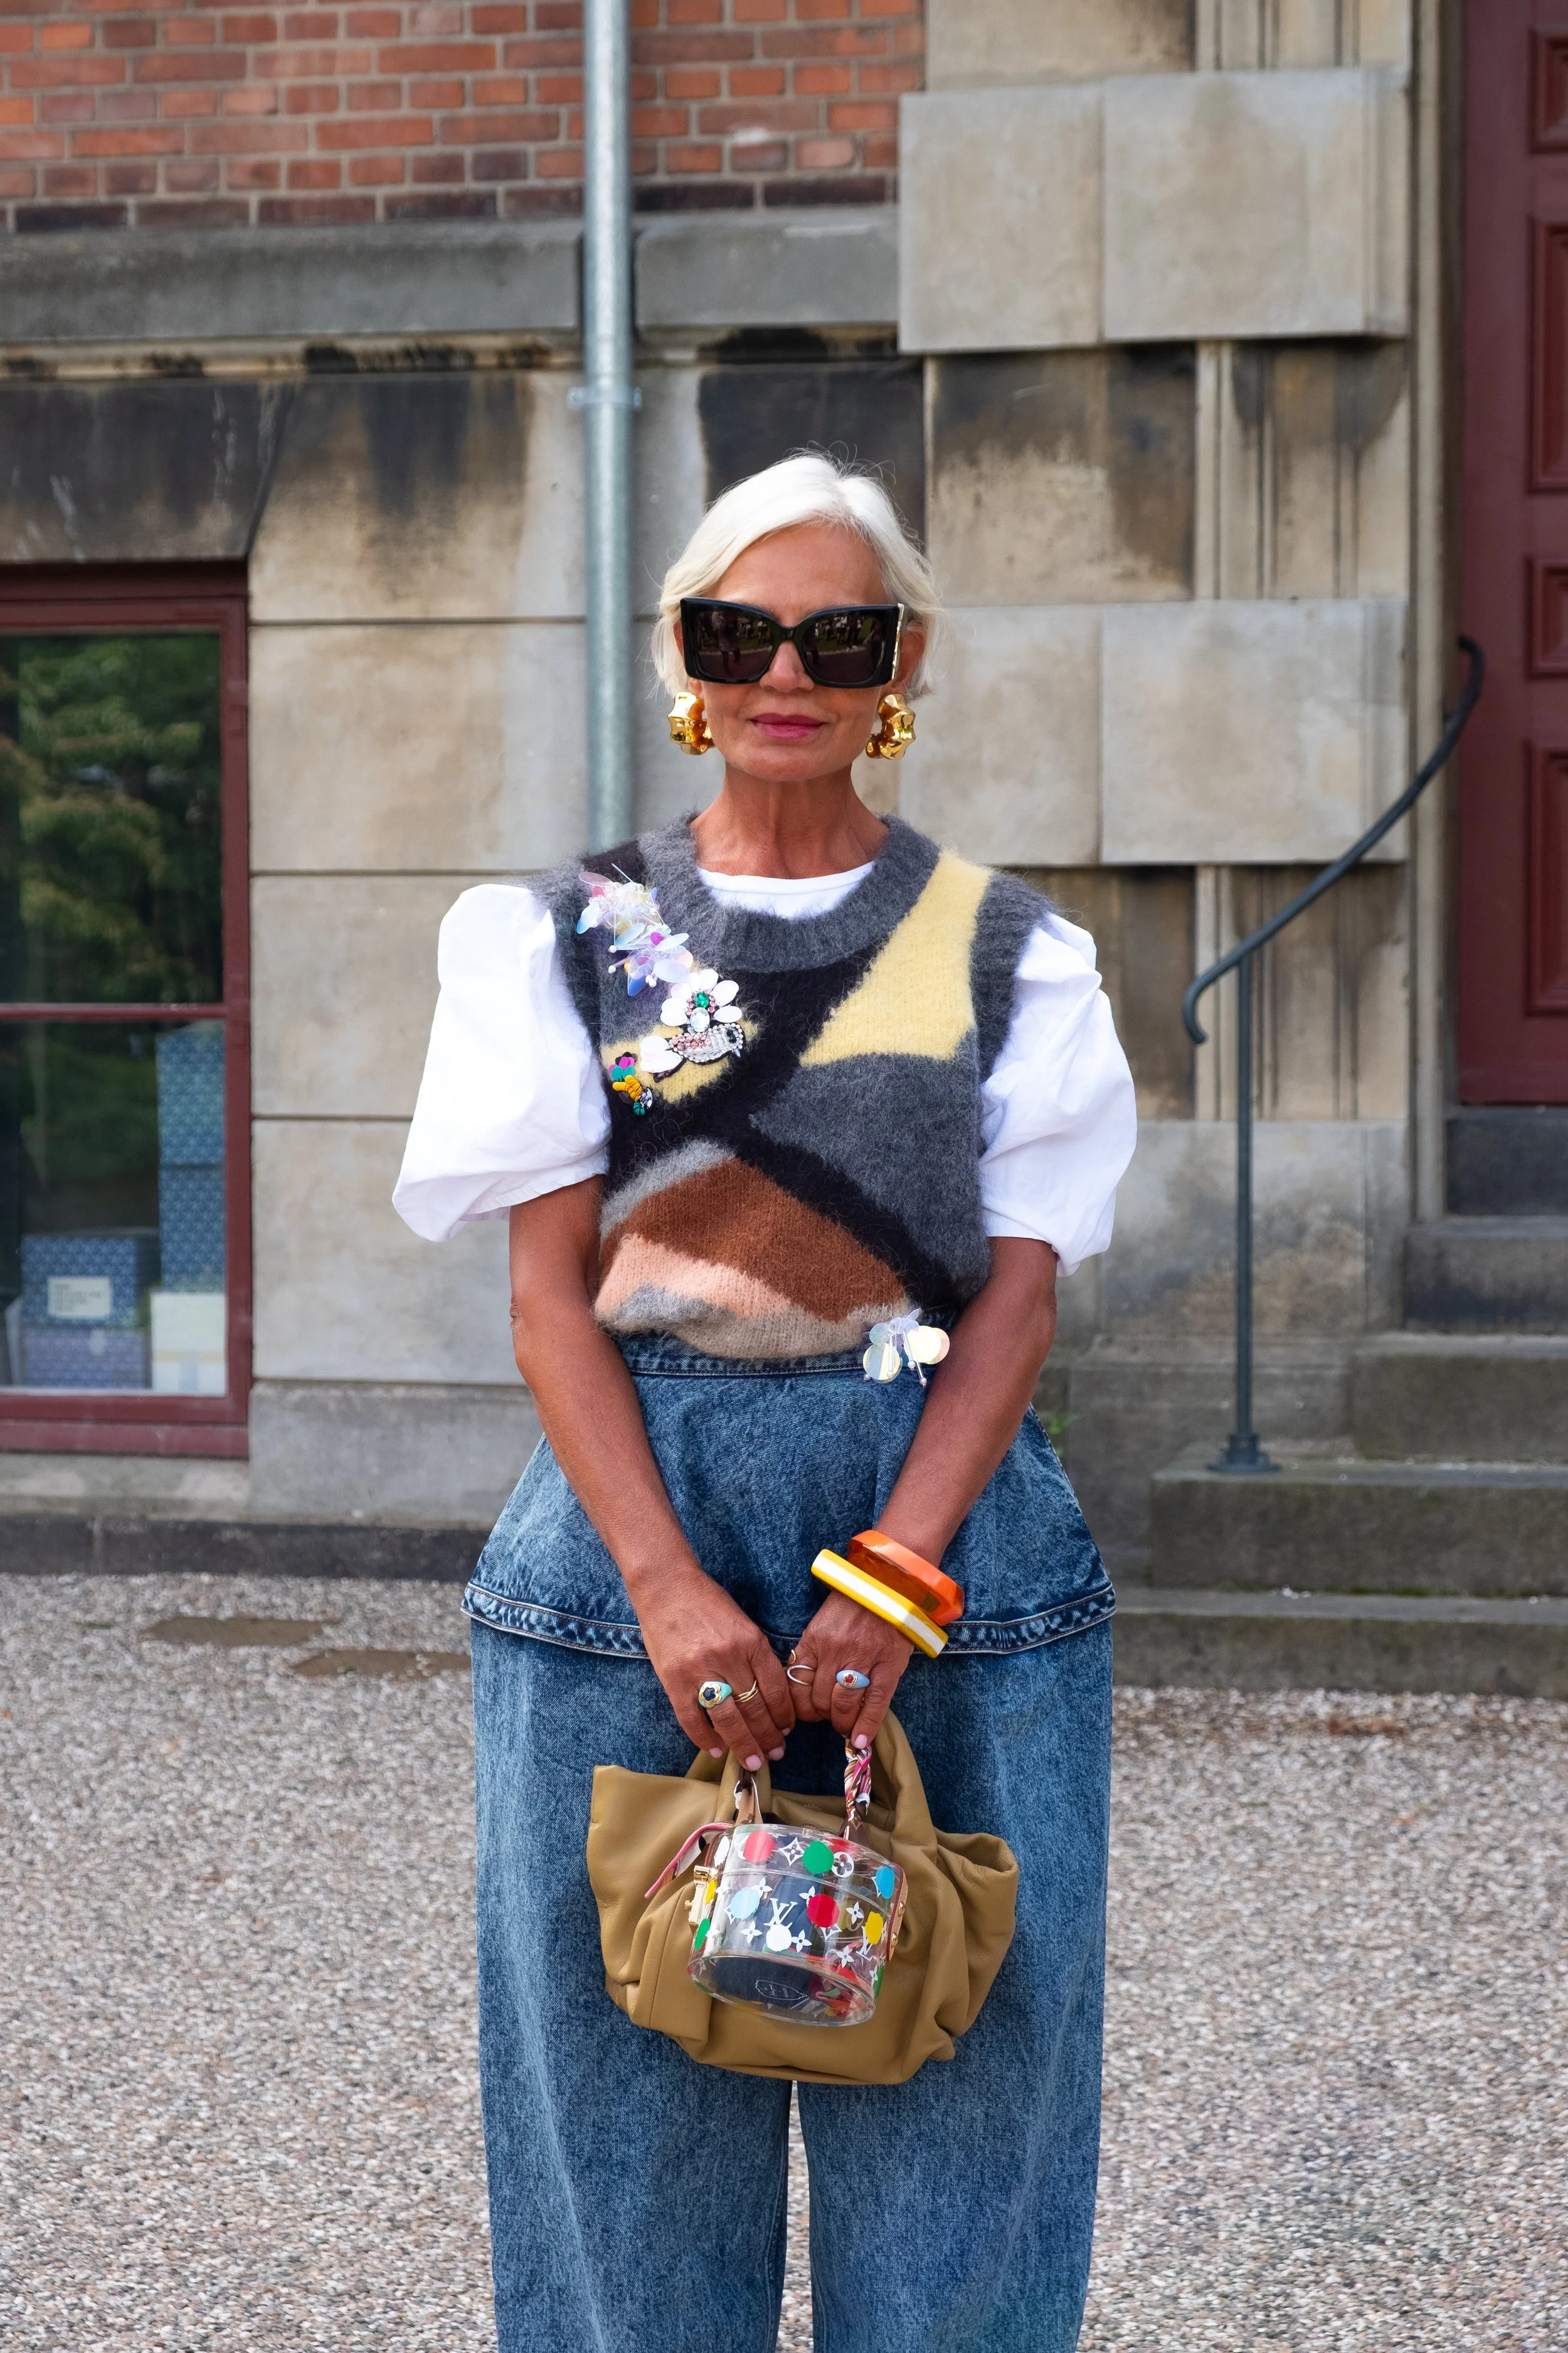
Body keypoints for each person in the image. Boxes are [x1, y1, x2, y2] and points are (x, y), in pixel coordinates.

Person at [393, 452, 1137, 2353]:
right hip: (625, 1563)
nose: (784, 668)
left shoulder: (1007, 950)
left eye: (838, 632)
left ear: (900, 662)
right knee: (621, 2149)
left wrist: (892, 1577)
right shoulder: (568, 936)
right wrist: (663, 1587)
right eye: (740, 630)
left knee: (965, 2120)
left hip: (948, 1561)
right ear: (684, 656)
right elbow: (547, 1299)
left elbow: (1016, 1293)